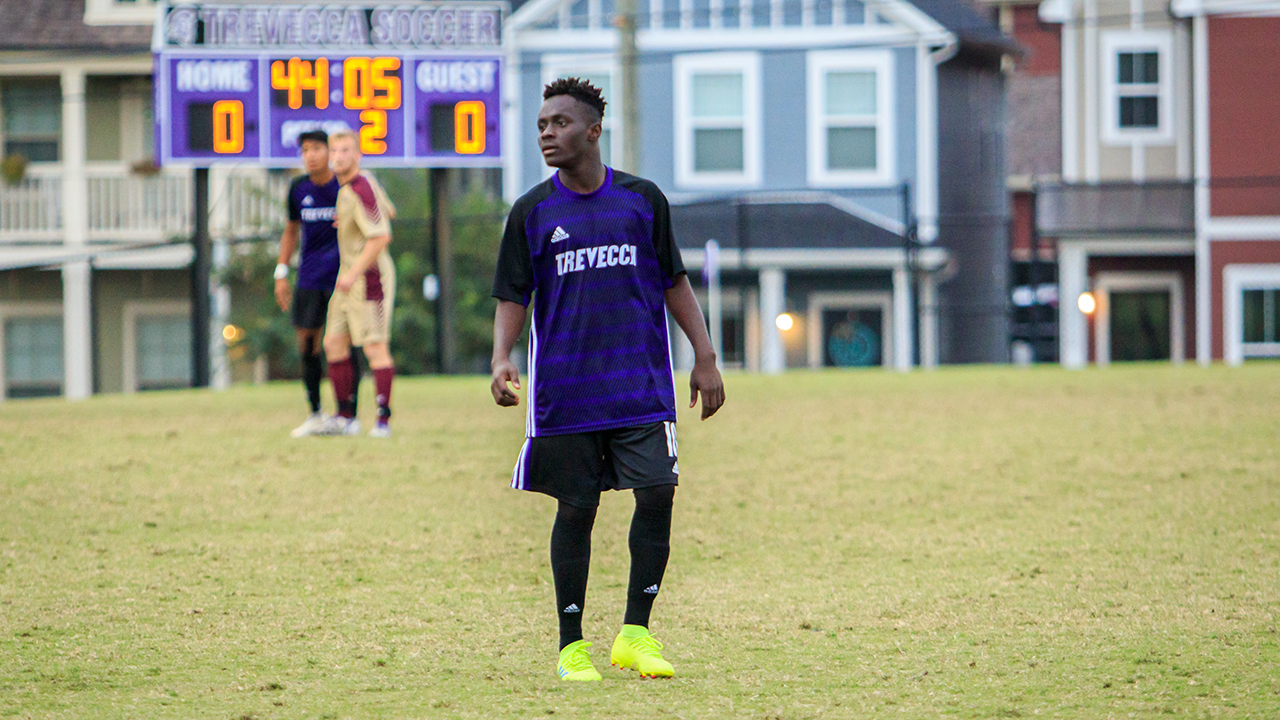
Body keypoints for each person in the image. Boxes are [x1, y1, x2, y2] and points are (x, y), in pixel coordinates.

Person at [490, 78, 725, 682]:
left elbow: (674, 280)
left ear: (593, 130)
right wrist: (500, 357)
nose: (547, 132)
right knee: (577, 511)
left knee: (658, 494)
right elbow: (513, 294)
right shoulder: (532, 211)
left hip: (640, 386)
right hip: (565, 394)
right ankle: (573, 646)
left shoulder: (643, 200)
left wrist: (704, 355)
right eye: (542, 124)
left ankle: (635, 634)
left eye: (560, 123)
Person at [275, 129, 360, 437]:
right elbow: (290, 232)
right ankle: (314, 412)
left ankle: (349, 414)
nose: (310, 155)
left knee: (344, 344)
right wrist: (281, 271)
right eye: (305, 150)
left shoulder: (347, 186)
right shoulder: (298, 188)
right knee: (307, 343)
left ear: (331, 152)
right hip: (309, 277)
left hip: (343, 278)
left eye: (316, 148)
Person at [318, 130, 398, 438]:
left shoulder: (360, 186)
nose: (338, 156)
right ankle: (345, 418)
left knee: (375, 346)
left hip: (368, 278)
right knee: (334, 343)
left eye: (345, 150)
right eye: (334, 150)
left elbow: (381, 236)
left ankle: (383, 421)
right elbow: (388, 212)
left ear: (357, 154)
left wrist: (353, 274)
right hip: (348, 277)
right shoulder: (356, 185)